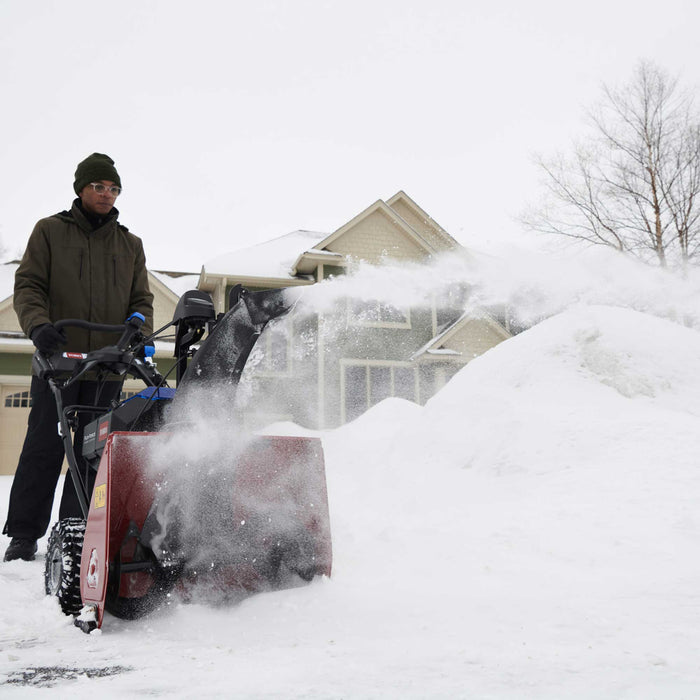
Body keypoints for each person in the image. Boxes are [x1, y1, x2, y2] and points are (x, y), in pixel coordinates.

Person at [3, 153, 153, 562]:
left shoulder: (130, 244)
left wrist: (137, 328)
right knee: (43, 445)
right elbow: (29, 284)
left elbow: (141, 299)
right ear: (81, 189)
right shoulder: (50, 231)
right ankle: (23, 533)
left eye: (113, 189)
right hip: (59, 359)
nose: (107, 195)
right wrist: (37, 325)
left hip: (107, 363)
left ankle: (77, 528)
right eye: (98, 187)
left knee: (94, 450)